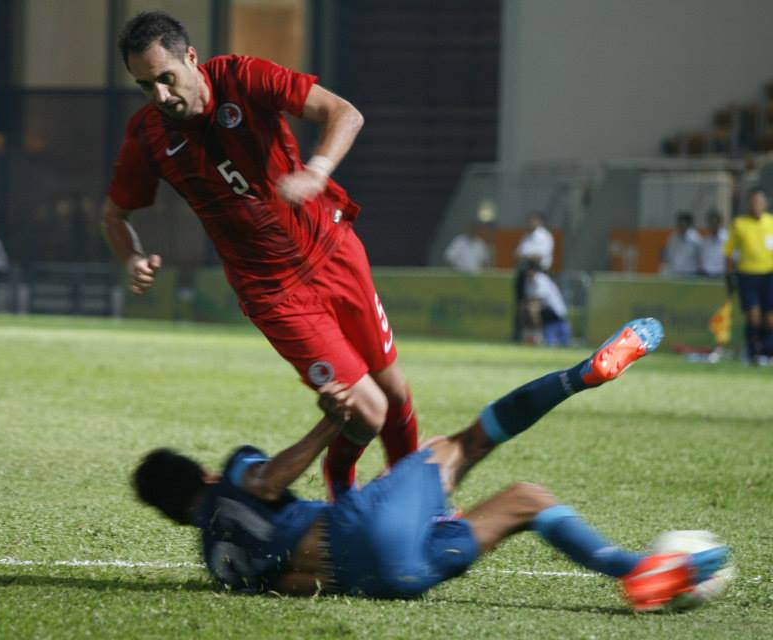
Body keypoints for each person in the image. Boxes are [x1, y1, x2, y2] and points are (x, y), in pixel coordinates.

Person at [133, 317, 730, 609]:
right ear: (204, 475)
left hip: (387, 582)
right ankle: (582, 377)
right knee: (465, 444)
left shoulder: (217, 562)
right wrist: (331, 422)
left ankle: (639, 574)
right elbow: (267, 479)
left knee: (526, 499)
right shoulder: (233, 475)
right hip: (354, 535)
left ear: (172, 515)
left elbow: (293, 580)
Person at [102, 12, 417, 499]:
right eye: (146, 86)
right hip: (275, 295)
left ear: (191, 59)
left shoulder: (244, 77)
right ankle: (342, 488)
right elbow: (114, 215)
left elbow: (345, 113)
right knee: (366, 410)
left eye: (166, 79)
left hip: (334, 251)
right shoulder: (148, 135)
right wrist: (132, 259)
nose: (160, 96)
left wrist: (317, 171)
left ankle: (422, 500)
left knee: (395, 394)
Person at [724, 188, 773, 363]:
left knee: (769, 319)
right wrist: (729, 275)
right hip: (748, 275)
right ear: (748, 205)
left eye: (759, 202)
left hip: (769, 276)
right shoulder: (739, 224)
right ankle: (752, 353)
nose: (756, 206)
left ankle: (767, 351)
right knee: (753, 316)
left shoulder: (771, 222)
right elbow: (728, 252)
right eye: (753, 202)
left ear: (765, 204)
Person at [512, 213, 554, 341]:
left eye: (533, 221)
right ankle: (524, 335)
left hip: (538, 273)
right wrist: (528, 256)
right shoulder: (527, 236)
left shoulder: (544, 236)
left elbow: (540, 256)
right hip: (525, 273)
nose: (530, 223)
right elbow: (517, 254)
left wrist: (526, 256)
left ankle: (539, 336)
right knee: (521, 305)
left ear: (539, 222)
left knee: (534, 307)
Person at [521, 267, 571, 347]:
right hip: (546, 311)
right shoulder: (528, 281)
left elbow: (539, 297)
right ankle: (534, 334)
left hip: (553, 309)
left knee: (533, 309)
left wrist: (529, 305)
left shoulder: (541, 279)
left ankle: (538, 333)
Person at [660, 211, 702, 277]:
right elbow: (669, 255)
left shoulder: (695, 239)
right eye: (679, 224)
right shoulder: (673, 238)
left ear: (688, 225)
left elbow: (700, 257)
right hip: (675, 273)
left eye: (682, 224)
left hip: (690, 274)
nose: (680, 226)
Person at [698, 209, 728, 278]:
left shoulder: (727, 239)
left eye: (715, 223)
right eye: (711, 223)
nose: (713, 225)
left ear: (720, 223)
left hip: (722, 275)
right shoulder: (705, 241)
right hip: (707, 276)